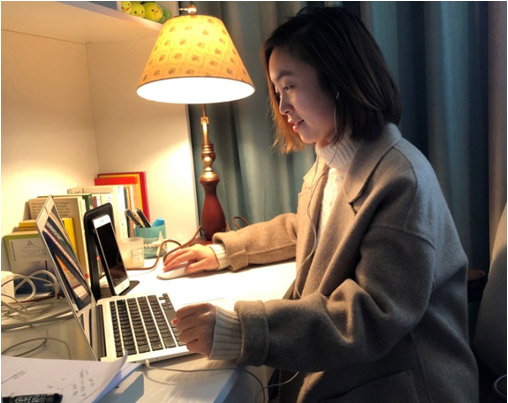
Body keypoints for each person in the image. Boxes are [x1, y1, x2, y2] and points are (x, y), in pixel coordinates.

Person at [163, 6, 479, 402]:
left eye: (289, 86)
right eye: (277, 91)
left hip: (404, 385)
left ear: (338, 79)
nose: (282, 107)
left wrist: (242, 329)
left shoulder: (401, 180)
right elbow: (307, 228)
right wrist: (224, 251)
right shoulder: (333, 163)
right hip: (365, 375)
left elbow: (371, 316)